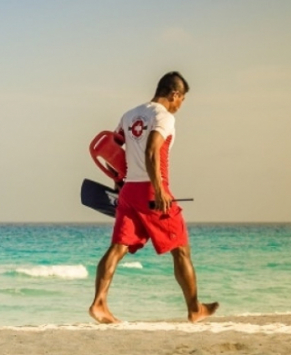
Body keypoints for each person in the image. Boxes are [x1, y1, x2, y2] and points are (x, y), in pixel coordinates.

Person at [88, 71, 218, 324]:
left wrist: (118, 182)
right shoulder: (164, 117)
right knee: (181, 250)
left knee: (118, 248)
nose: (180, 106)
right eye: (182, 100)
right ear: (174, 94)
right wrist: (160, 191)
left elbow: (113, 149)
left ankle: (99, 304)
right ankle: (195, 309)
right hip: (152, 190)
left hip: (129, 192)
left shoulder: (129, 115)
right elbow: (151, 151)